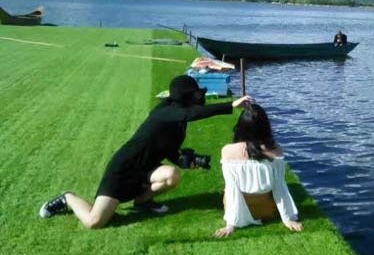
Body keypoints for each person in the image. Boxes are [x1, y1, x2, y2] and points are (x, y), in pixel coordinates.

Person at [39, 75, 252, 229]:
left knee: (172, 176)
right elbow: (192, 113)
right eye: (195, 96)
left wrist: (185, 160)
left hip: (146, 169)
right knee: (94, 222)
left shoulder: (177, 122)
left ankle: (142, 201)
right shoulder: (165, 113)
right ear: (186, 99)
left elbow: (168, 148)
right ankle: (68, 198)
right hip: (123, 170)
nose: (200, 99)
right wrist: (231, 105)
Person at [214, 103, 303, 238]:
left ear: (241, 127)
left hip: (243, 209)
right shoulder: (276, 150)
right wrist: (288, 218)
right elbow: (280, 188)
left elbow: (232, 189)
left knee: (227, 189)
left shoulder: (227, 151)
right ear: (266, 126)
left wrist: (230, 224)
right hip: (268, 209)